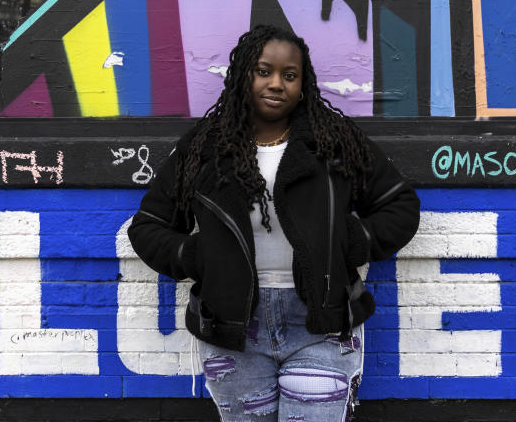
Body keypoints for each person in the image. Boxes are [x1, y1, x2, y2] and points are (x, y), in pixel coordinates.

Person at [129, 25, 420, 421]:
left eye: (289, 75)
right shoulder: (206, 148)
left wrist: (350, 241)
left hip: (322, 324)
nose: (276, 83)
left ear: (303, 84)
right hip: (232, 328)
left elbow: (399, 206)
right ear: (243, 75)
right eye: (264, 71)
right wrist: (198, 256)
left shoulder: (333, 142)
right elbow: (148, 226)